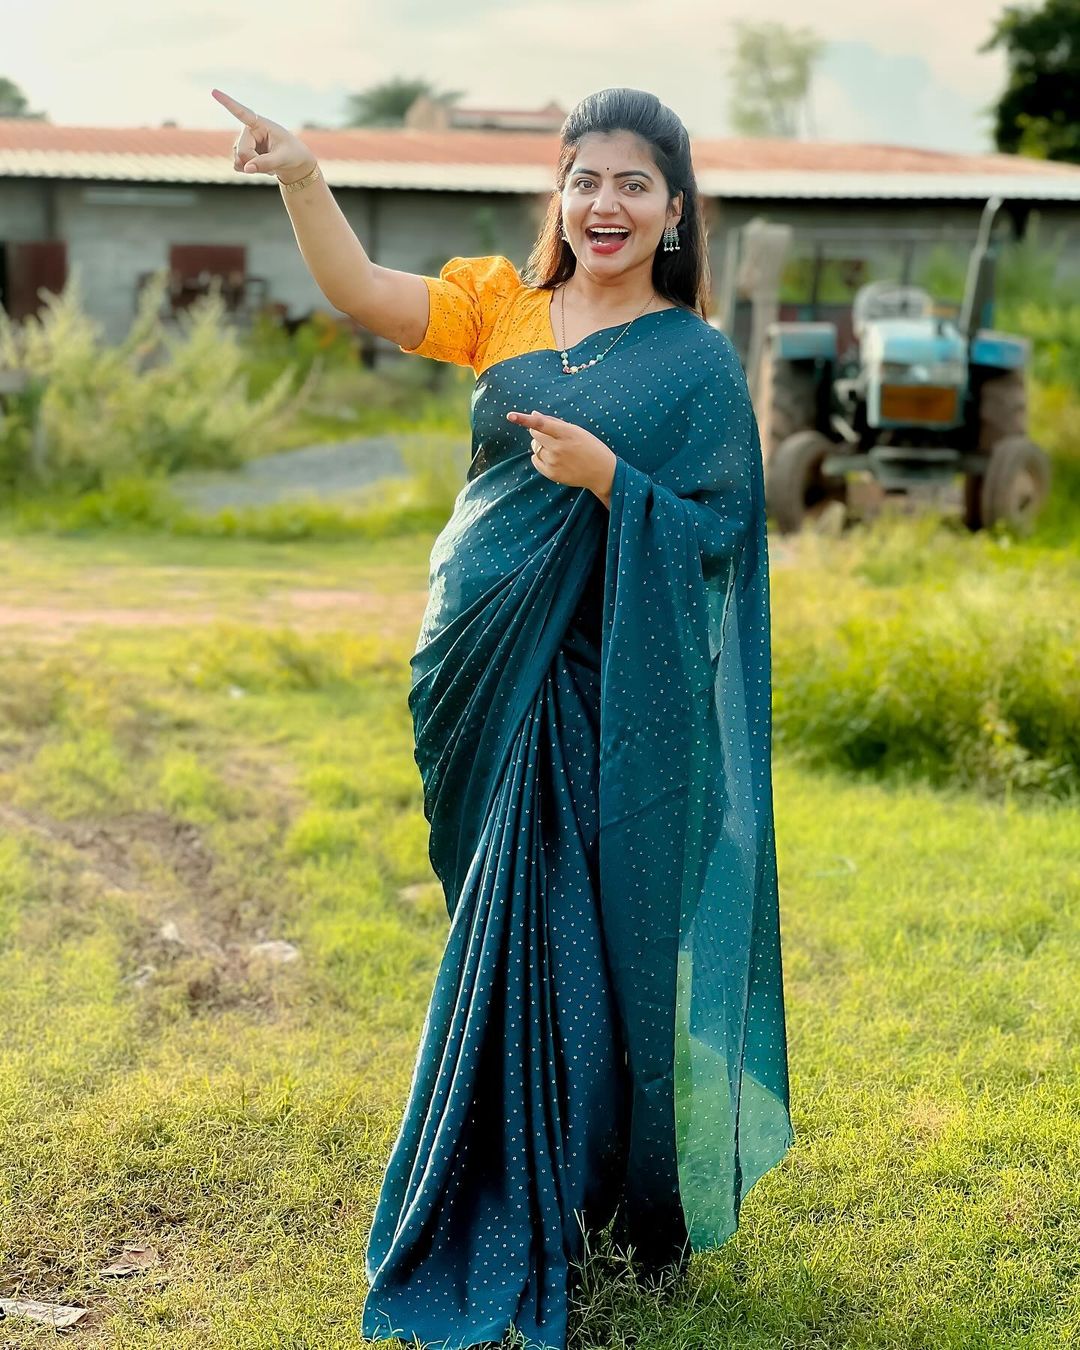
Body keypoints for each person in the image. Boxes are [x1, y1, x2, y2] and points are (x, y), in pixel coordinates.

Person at [213, 83, 795, 1350]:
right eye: (587, 177)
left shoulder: (694, 363)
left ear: (675, 211)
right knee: (501, 929)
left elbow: (723, 543)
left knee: (583, 942)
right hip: (477, 673)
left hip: (597, 698)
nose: (606, 203)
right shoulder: (499, 302)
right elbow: (366, 295)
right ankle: (506, 1183)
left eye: (635, 183)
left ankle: (578, 1198)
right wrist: (306, 178)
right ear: (561, 193)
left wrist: (612, 484)